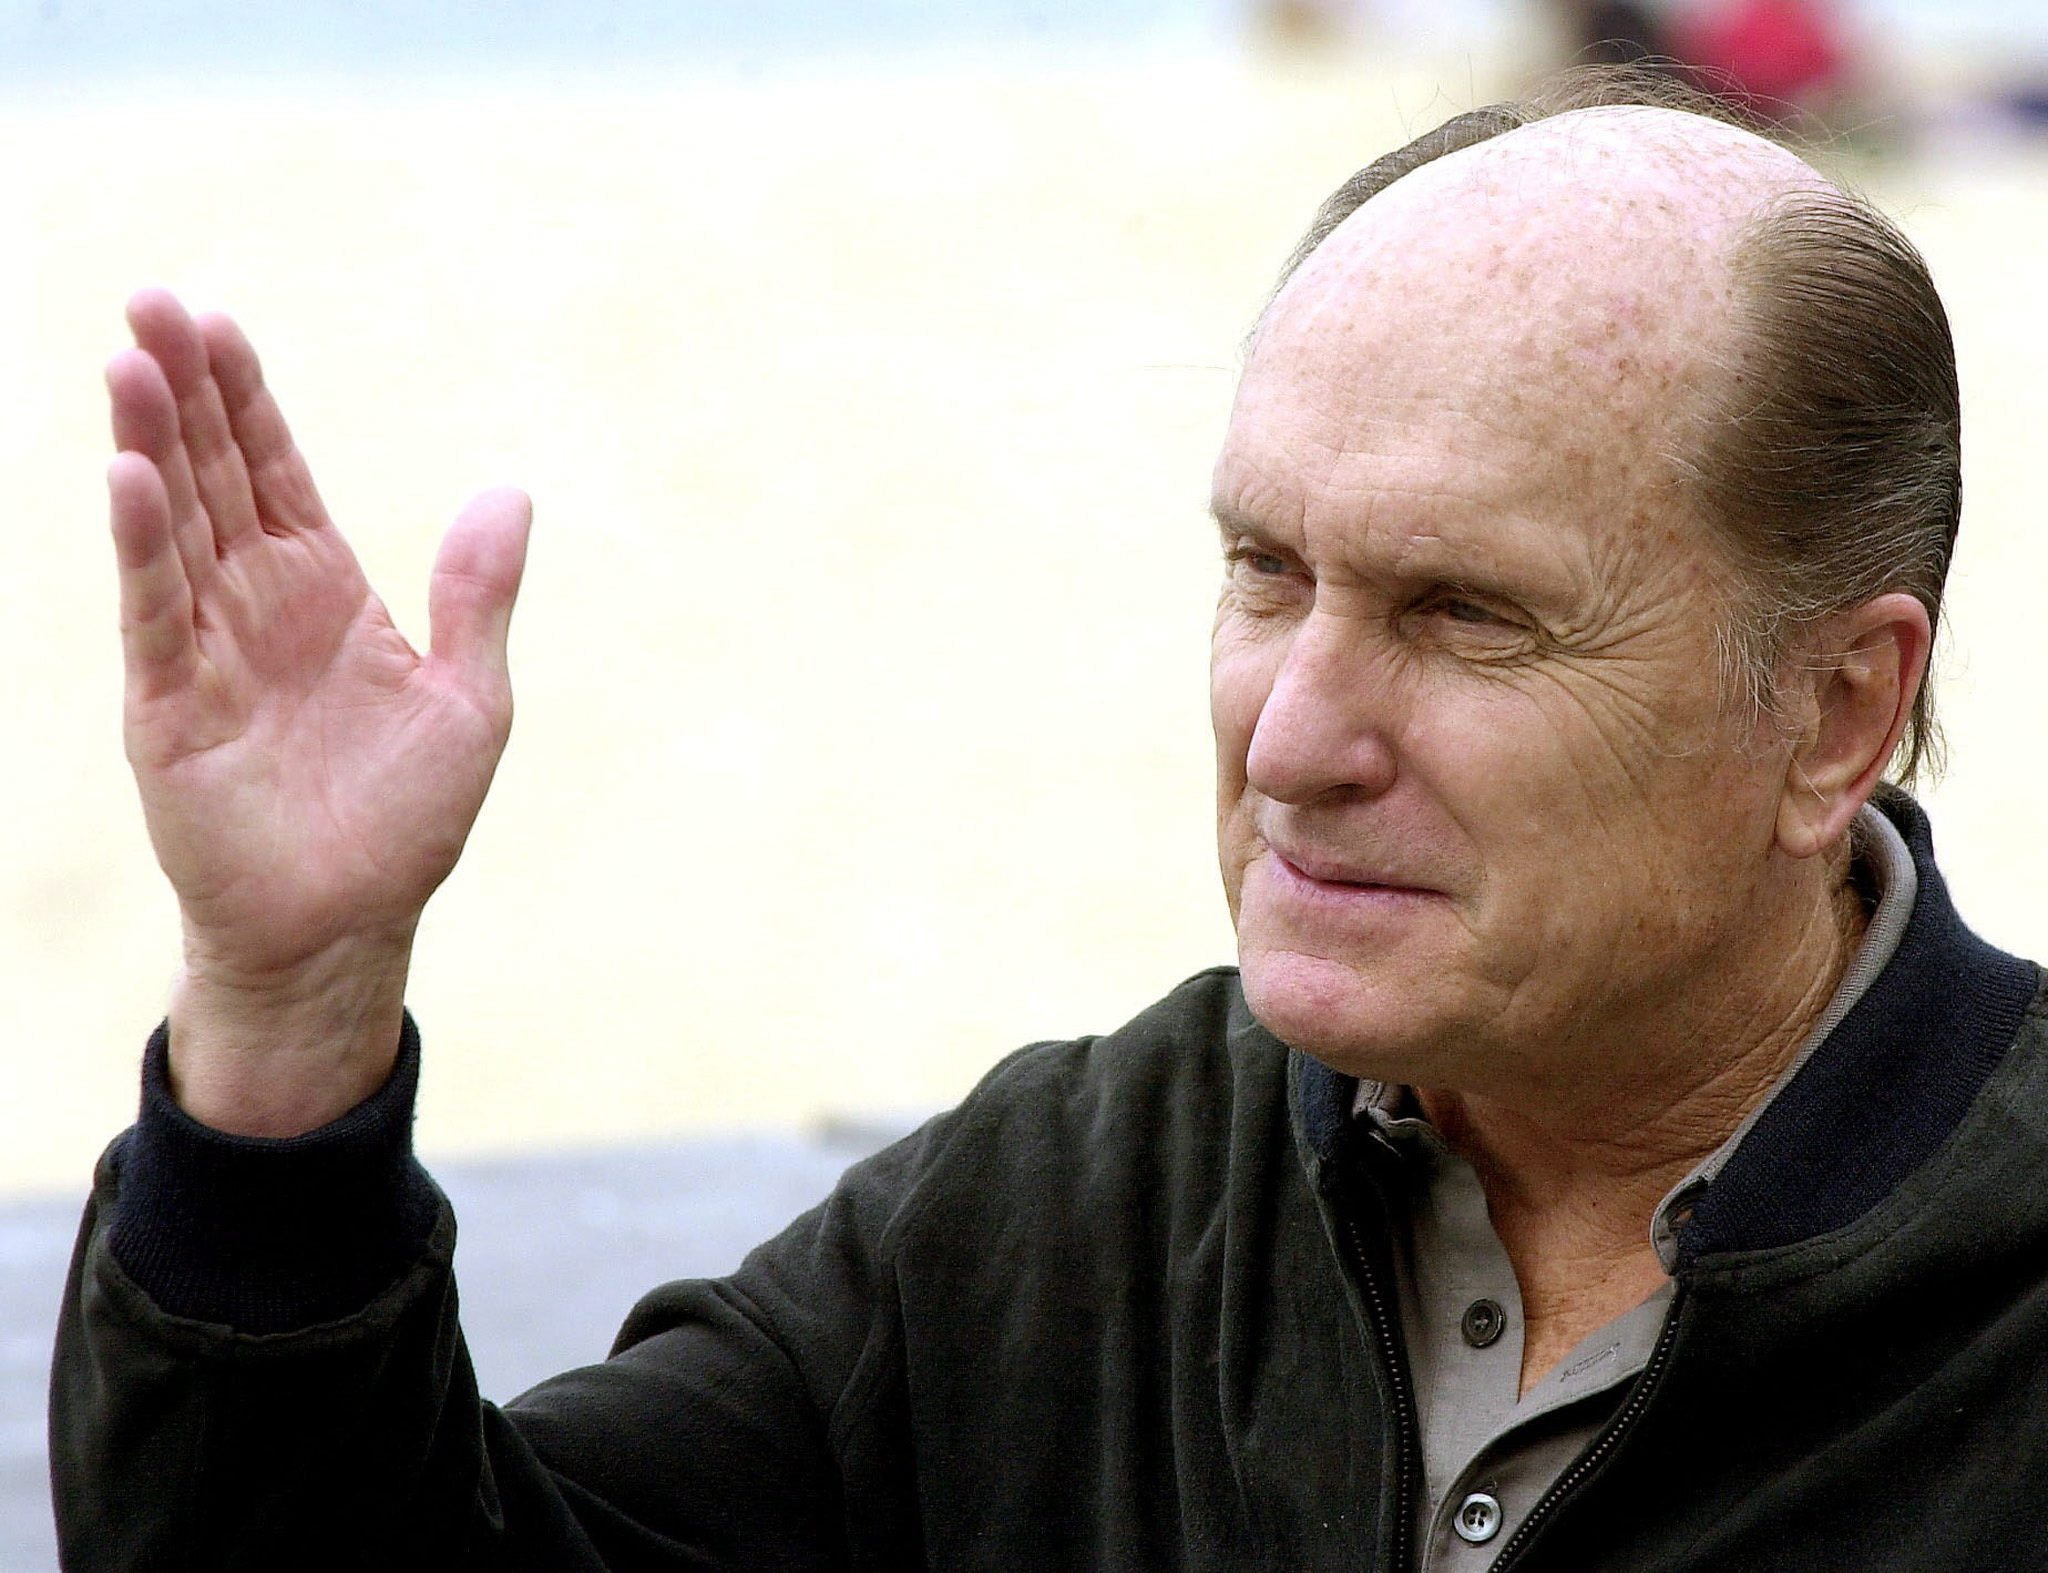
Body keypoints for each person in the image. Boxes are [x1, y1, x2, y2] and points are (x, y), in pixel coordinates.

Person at [51, 67, 2048, 1571]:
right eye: (1266, 569)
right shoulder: (1074, 1211)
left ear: (1835, 711)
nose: (1292, 739)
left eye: (1463, 612)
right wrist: (288, 1013)